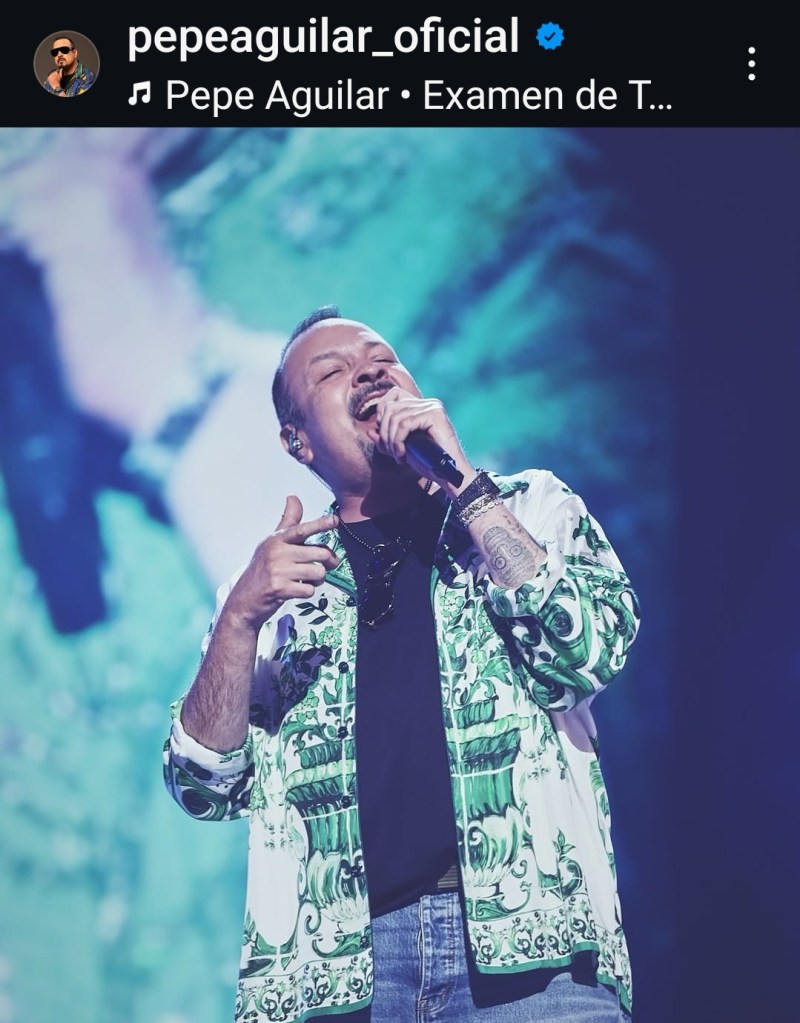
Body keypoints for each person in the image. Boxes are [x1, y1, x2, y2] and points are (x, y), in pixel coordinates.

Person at [163, 306, 641, 1023]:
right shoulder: (277, 591)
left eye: (383, 359)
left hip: (533, 963)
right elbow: (204, 786)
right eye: (333, 371)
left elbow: (590, 652)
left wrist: (464, 487)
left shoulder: (529, 507)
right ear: (296, 441)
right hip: (338, 978)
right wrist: (237, 620)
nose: (369, 372)